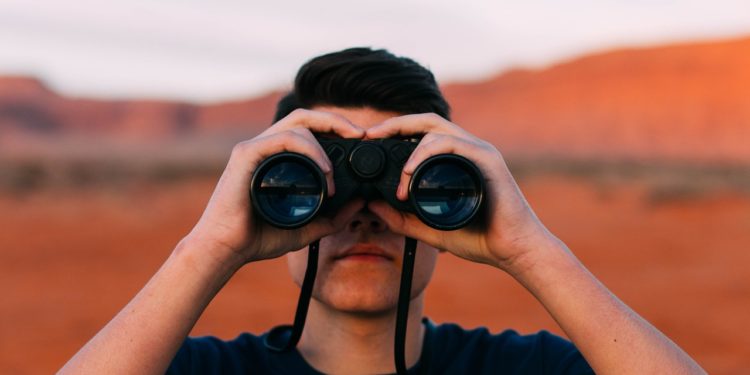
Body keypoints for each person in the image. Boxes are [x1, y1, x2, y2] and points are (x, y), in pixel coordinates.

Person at [60, 47, 705, 374]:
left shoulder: (530, 368)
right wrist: (207, 247)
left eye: (414, 184)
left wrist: (531, 248)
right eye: (311, 183)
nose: (364, 215)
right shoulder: (200, 370)